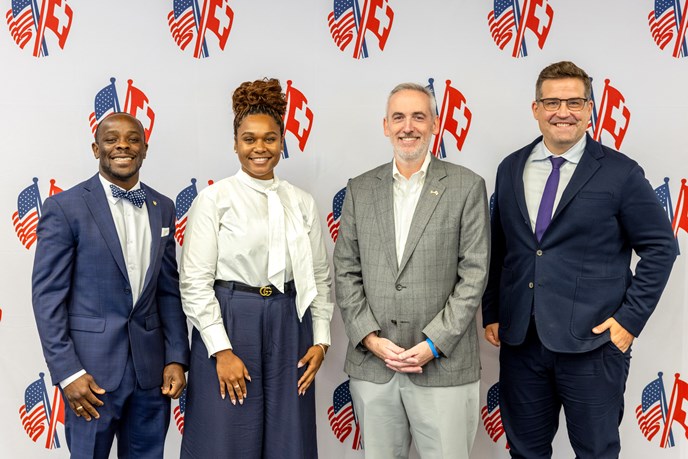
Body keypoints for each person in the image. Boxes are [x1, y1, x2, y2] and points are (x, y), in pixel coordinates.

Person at [482, 61, 677, 458]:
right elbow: (499, 248)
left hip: (594, 345)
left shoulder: (621, 173)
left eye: (574, 102)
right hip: (522, 343)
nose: (563, 112)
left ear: (590, 109)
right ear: (536, 109)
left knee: (596, 452)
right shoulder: (510, 168)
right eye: (552, 102)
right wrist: (493, 312)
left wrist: (628, 322)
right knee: (525, 452)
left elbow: (661, 248)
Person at [178, 78, 333, 459]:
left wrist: (321, 339)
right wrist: (221, 349)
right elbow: (195, 282)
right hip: (232, 321)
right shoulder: (214, 199)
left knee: (289, 440)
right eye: (249, 139)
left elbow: (319, 276)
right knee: (225, 438)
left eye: (269, 139)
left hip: (289, 322)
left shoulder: (301, 201)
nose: (259, 148)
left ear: (282, 141)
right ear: (235, 143)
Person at [333, 82, 490, 459]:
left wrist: (433, 343)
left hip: (443, 366)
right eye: (399, 117)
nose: (408, 127)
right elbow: (345, 269)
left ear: (435, 124)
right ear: (385, 125)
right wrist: (369, 338)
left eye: (419, 117)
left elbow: (474, 274)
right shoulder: (360, 189)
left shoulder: (467, 186)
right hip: (375, 365)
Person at [31, 112, 190, 458]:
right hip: (90, 378)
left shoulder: (163, 207)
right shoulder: (65, 207)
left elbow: (168, 290)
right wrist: (68, 372)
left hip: (151, 375)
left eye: (133, 139)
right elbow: (48, 299)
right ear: (96, 148)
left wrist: (177, 357)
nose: (123, 146)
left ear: (144, 149)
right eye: (111, 139)